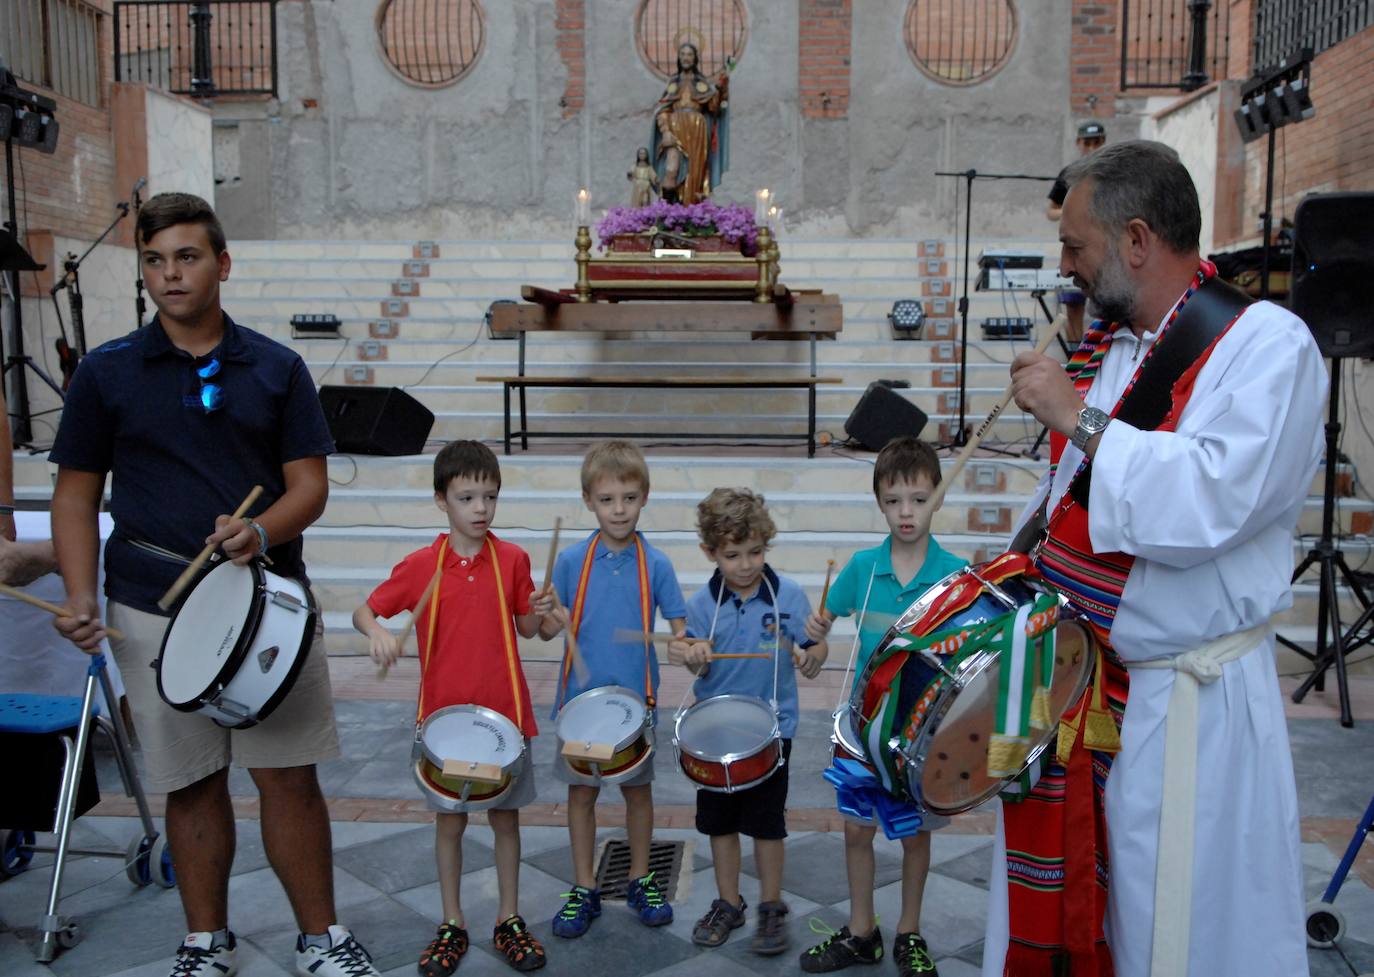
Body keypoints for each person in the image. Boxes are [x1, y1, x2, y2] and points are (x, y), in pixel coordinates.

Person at [983, 140, 1324, 976]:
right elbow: (1072, 497)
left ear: (1137, 240)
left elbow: (1211, 500)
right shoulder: (1119, 348)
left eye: (1077, 246)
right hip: (1077, 692)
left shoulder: (1269, 347)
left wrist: (1077, 416)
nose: (1066, 266)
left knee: (1175, 928)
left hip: (1185, 709)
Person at [48, 192, 382, 977]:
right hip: (151, 604)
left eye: (187, 257)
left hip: (266, 604)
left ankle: (321, 940)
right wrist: (78, 594)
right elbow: (74, 492)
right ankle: (206, 943)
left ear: (222, 264)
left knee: (287, 776)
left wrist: (260, 530)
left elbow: (309, 485)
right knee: (190, 784)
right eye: (156, 260)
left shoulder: (275, 366)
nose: (171, 274)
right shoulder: (107, 373)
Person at [354, 439, 552, 975]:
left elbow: (530, 629)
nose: (481, 509)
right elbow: (364, 610)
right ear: (442, 500)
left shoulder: (512, 558)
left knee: (506, 820)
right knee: (450, 826)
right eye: (467, 498)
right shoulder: (422, 566)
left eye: (490, 497)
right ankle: (452, 921)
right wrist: (379, 633)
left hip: (505, 717)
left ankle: (508, 917)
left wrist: (542, 612)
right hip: (444, 723)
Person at [799, 436, 966, 977]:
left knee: (915, 834)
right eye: (894, 501)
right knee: (856, 830)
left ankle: (909, 932)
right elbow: (822, 637)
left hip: (921, 729)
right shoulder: (862, 569)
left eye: (918, 499)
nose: (906, 512)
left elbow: (968, 653)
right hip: (863, 723)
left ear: (936, 499)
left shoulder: (953, 575)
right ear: (879, 502)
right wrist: (815, 644)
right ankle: (862, 930)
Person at [668, 488, 828, 956]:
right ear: (710, 553)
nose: (745, 564)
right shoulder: (701, 605)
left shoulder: (788, 596)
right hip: (715, 735)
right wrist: (691, 654)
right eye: (732, 555)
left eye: (755, 552)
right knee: (719, 824)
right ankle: (728, 901)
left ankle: (771, 905)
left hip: (772, 732)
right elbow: (686, 655)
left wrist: (813, 657)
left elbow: (815, 649)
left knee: (767, 823)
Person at [537, 440, 687, 937]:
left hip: (635, 703)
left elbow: (679, 631)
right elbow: (547, 630)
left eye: (628, 497)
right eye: (607, 499)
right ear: (588, 501)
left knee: (638, 793)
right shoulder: (571, 561)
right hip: (580, 704)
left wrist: (683, 646)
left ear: (644, 496)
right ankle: (584, 886)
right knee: (581, 795)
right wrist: (548, 617)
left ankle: (641, 877)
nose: (618, 509)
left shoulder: (657, 564)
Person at [1046, 121, 1107, 345]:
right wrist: (1071, 210)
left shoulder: (1112, 173)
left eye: (1097, 142)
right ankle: (1076, 357)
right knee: (1074, 305)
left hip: (1103, 248)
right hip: (1077, 247)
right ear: (1079, 144)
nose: (1092, 148)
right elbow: (1050, 211)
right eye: (1087, 143)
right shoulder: (1070, 173)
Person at [651, 42, 729, 205]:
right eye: (683, 54)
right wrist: (665, 131)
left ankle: (692, 210)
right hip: (674, 129)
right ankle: (668, 210)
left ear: (695, 58)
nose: (686, 58)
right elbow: (663, 109)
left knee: (695, 171)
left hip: (697, 131)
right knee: (672, 169)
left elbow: (714, 108)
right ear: (679, 58)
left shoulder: (702, 83)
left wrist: (722, 90)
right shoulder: (673, 83)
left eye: (689, 54)